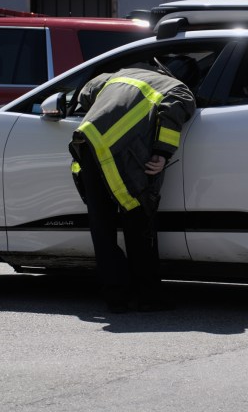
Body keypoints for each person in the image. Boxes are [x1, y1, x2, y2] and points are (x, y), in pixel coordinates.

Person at [69, 57, 198, 313]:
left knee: (102, 226)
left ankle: (116, 297)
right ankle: (148, 297)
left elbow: (85, 93)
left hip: (87, 144)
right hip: (120, 154)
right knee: (139, 220)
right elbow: (172, 113)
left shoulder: (118, 75)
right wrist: (162, 153)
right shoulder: (178, 88)